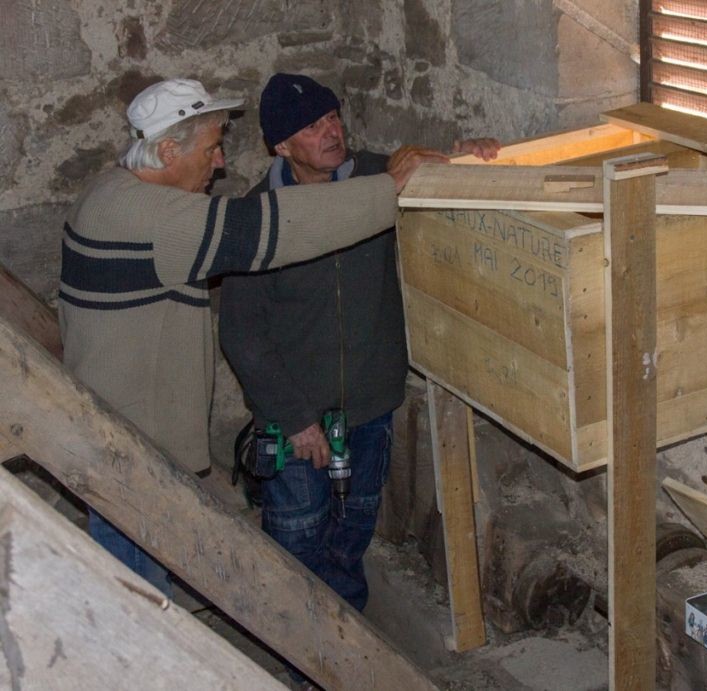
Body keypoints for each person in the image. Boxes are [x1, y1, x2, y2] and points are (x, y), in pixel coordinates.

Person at [58, 77, 448, 597]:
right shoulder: (158, 220)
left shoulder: (108, 191)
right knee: (139, 595)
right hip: (129, 449)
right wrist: (387, 188)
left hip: (119, 433)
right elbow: (272, 232)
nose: (219, 162)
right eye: (211, 147)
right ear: (168, 149)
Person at [218, 73, 499, 612]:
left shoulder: (379, 176)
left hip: (369, 409)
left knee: (351, 537)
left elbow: (444, 183)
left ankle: (349, 649)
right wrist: (296, 418)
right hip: (297, 418)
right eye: (311, 127)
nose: (330, 132)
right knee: (297, 545)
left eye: (332, 118)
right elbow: (241, 334)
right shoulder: (257, 218)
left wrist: (467, 158)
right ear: (281, 146)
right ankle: (297, 656)